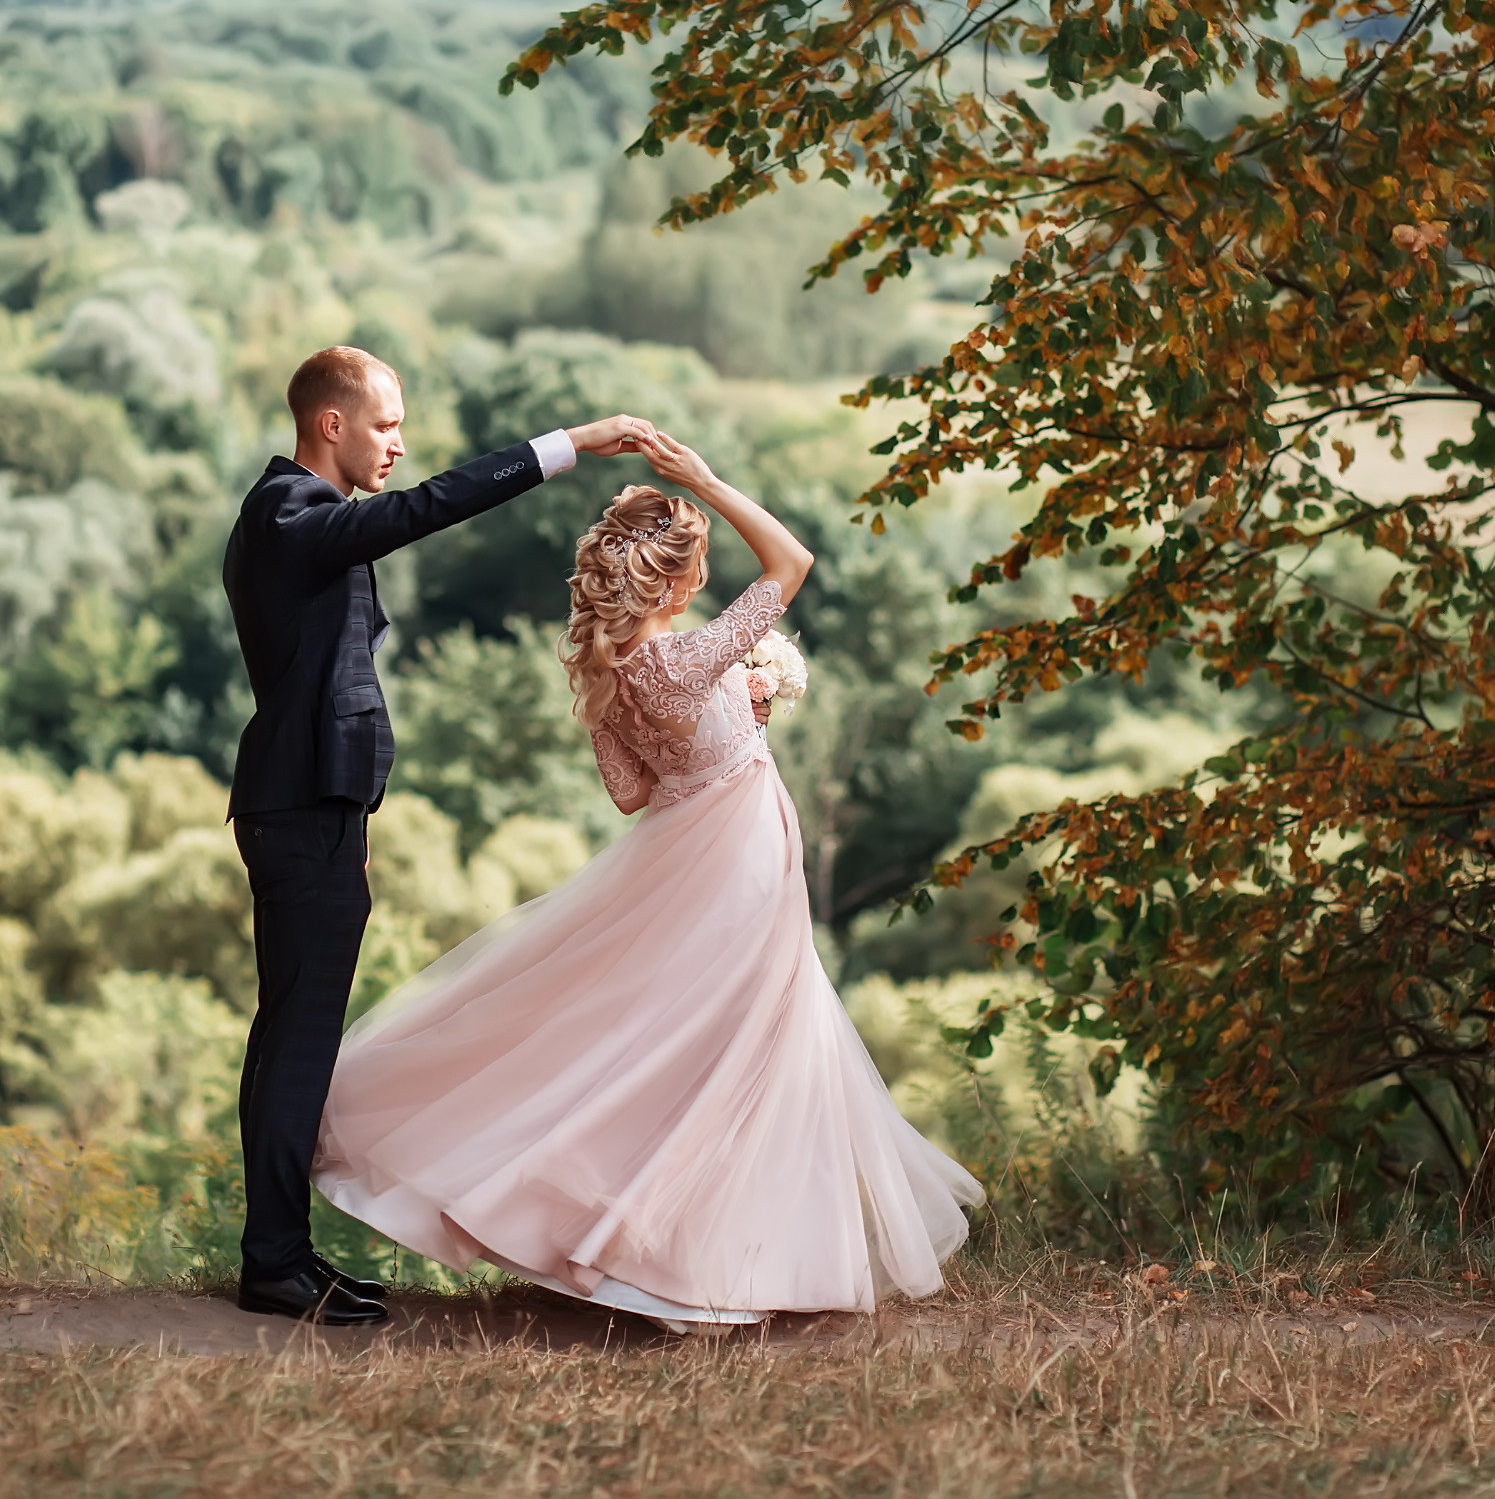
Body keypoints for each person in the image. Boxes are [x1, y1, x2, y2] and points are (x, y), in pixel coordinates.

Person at [315, 431, 983, 1332]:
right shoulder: (687, 657)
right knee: (739, 1049)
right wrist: (706, 481)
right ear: (673, 579)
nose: (703, 582)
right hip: (738, 855)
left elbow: (633, 793)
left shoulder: (612, 672)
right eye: (696, 566)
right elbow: (792, 561)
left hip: (689, 854)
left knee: (677, 1047)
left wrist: (732, 711)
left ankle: (682, 1251)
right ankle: (700, 1262)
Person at [224, 344, 658, 1326]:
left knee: (295, 1034)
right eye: (385, 426)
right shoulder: (289, 513)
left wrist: (353, 815)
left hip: (318, 810)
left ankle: (281, 1253)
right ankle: (274, 1264)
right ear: (329, 425)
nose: (398, 445)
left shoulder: (302, 520)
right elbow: (422, 509)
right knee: (295, 1040)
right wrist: (568, 446)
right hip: (299, 809)